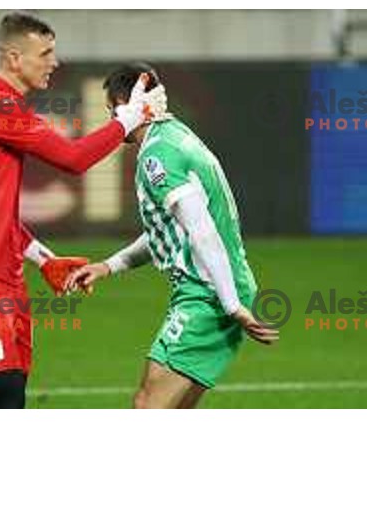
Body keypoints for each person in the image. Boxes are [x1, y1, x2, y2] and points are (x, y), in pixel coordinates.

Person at [0, 14, 164, 409]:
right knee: (1, 389)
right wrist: (129, 116)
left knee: (11, 393)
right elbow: (73, 159)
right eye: (45, 53)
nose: (54, 63)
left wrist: (44, 259)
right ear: (13, 58)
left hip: (2, 269)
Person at [65, 62, 278, 409]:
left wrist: (230, 304)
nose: (111, 122)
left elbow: (202, 232)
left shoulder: (157, 156)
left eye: (111, 111)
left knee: (147, 406)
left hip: (207, 294)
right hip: (215, 288)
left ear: (125, 104)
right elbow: (171, 231)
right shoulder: (175, 136)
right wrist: (109, 265)